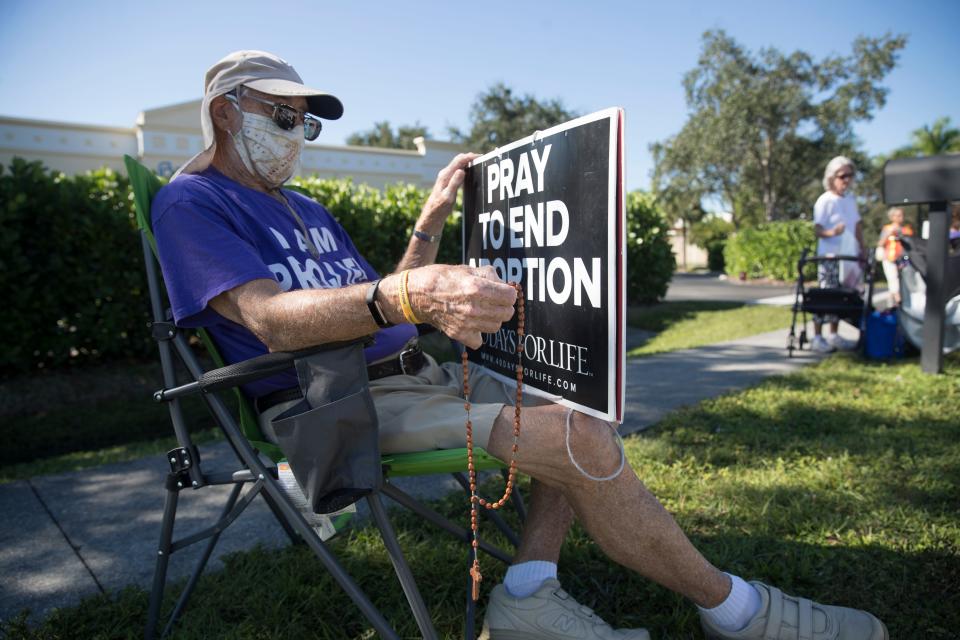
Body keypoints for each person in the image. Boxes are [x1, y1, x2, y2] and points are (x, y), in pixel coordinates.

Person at [152, 51, 888, 640]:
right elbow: (274, 319)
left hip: (414, 373)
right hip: (331, 401)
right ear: (226, 111)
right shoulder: (192, 201)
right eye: (284, 116)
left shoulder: (306, 209)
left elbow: (389, 313)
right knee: (578, 441)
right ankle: (739, 612)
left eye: (305, 125)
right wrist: (407, 296)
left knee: (576, 388)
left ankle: (529, 594)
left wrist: (431, 224)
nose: (295, 136)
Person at [811, 156, 865, 353]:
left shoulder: (850, 200)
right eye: (842, 176)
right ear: (832, 177)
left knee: (842, 296)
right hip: (830, 257)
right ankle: (817, 336)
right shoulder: (825, 200)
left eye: (850, 176)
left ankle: (833, 335)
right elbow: (817, 230)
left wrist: (863, 249)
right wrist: (832, 233)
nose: (846, 180)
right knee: (826, 295)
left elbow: (858, 226)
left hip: (849, 257)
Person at [876, 207, 914, 306]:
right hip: (889, 258)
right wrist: (888, 234)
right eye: (897, 216)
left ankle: (894, 303)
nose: (900, 218)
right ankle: (898, 302)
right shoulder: (887, 228)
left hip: (904, 259)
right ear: (892, 217)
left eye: (901, 215)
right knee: (893, 280)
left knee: (904, 281)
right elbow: (880, 243)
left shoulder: (907, 230)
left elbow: (911, 245)